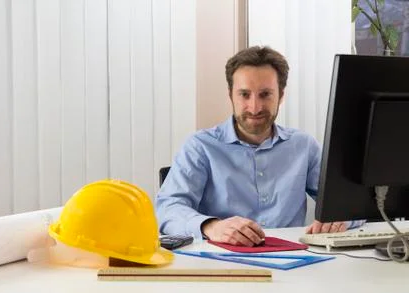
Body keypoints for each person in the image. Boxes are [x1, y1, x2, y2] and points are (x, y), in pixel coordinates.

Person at [155, 46, 363, 247]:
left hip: (295, 261)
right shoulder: (200, 146)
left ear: (281, 96)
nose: (254, 108)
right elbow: (167, 208)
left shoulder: (304, 146)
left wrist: (341, 219)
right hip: (222, 262)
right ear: (231, 96)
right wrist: (212, 226)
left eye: (265, 95)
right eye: (244, 94)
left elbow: (353, 206)